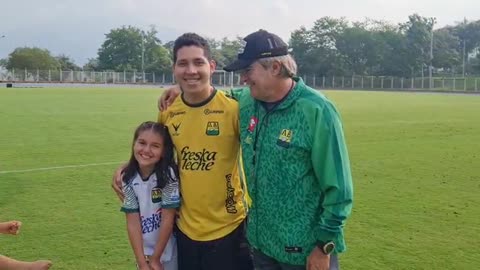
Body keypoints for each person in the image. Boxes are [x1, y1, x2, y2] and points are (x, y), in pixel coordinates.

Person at [159, 29, 354, 270]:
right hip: (261, 247)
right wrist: (183, 87)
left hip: (305, 253)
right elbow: (211, 97)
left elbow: (340, 189)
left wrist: (324, 245)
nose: (243, 79)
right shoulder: (249, 101)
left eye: (247, 71)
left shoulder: (316, 110)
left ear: (274, 68)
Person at [113, 33, 252, 270]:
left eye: (198, 62)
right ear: (174, 68)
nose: (191, 70)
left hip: (230, 225)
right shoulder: (169, 111)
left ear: (212, 66)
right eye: (183, 63)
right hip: (184, 229)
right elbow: (157, 157)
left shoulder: (234, 109)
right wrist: (128, 168)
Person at [120, 121, 179, 270]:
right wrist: (141, 262)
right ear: (134, 144)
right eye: (142, 143)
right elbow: (132, 223)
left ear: (164, 151)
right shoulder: (127, 178)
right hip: (143, 253)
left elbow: (167, 220)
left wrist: (155, 258)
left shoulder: (168, 175)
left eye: (155, 146)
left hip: (168, 251)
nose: (146, 150)